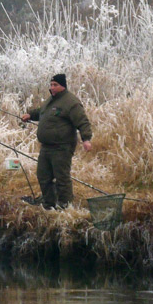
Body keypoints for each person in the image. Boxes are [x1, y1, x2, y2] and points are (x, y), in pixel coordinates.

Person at [20, 73, 92, 210]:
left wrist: (86, 139)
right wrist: (30, 115)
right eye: (51, 84)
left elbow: (83, 122)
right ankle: (49, 204)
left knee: (62, 178)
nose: (52, 87)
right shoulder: (51, 100)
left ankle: (65, 206)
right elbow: (42, 112)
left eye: (55, 85)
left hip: (62, 147)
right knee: (43, 176)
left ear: (62, 86)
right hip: (46, 147)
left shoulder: (71, 102)